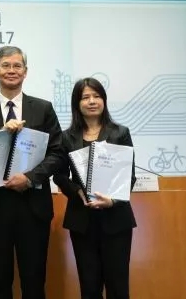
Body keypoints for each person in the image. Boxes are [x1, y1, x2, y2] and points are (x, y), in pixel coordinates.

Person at [0, 45, 67, 299]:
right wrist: (1, 134)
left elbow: (57, 153)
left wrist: (30, 178)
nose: (11, 70)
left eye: (17, 66)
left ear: (25, 71)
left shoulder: (43, 108)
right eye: (6, 66)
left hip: (33, 205)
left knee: (34, 281)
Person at [53, 77, 137, 299]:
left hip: (116, 218)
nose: (92, 101)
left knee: (118, 286)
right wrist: (77, 192)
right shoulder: (66, 137)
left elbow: (129, 176)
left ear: (104, 100)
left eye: (97, 96)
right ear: (77, 103)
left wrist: (113, 200)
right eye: (85, 97)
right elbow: (59, 175)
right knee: (89, 286)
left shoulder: (120, 132)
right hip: (82, 220)